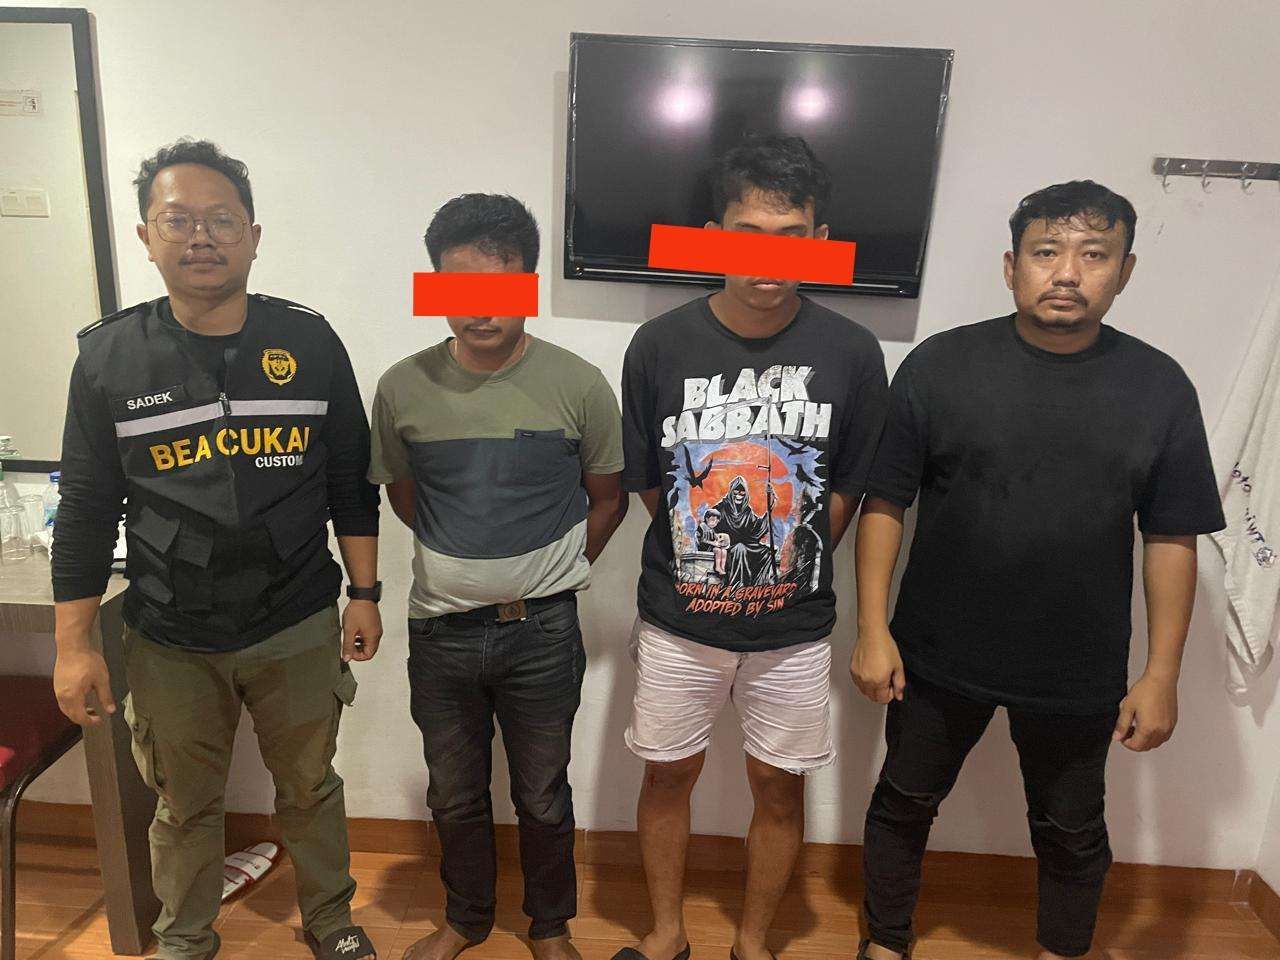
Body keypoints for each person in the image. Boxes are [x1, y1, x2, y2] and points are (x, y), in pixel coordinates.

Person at [850, 180, 1227, 960]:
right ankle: (884, 944)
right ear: (1011, 266)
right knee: (903, 804)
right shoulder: (940, 365)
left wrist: (1161, 674)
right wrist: (872, 629)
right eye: (1046, 251)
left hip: (1077, 665)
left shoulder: (1159, 388)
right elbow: (885, 501)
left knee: (1071, 831)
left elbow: (1171, 536)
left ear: (1125, 271)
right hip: (935, 653)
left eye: (1095, 254)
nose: (1067, 272)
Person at [50, 139, 383, 960]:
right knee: (184, 803)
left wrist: (365, 593)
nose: (201, 237)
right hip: (170, 629)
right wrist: (73, 645)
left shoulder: (309, 342)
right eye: (179, 220)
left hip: (295, 616)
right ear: (146, 237)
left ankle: (331, 921)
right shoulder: (108, 358)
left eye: (221, 220)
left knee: (309, 786)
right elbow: (86, 511)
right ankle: (185, 938)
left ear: (254, 236)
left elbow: (350, 481)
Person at [615, 134, 889, 960]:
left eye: (791, 237)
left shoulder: (852, 352)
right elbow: (651, 482)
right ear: (714, 235)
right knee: (667, 774)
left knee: (778, 786)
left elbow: (848, 486)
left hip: (793, 629)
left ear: (819, 240)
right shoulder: (658, 345)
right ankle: (667, 935)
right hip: (678, 620)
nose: (769, 257)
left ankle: (754, 943)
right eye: (748, 234)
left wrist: (789, 560)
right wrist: (706, 547)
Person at [368, 193, 627, 960]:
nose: (480, 308)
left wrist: (552, 572)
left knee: (542, 795)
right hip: (440, 633)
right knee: (453, 794)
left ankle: (550, 928)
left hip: (543, 632)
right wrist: (470, 562)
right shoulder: (402, 388)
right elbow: (405, 498)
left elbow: (607, 499)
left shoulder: (579, 385)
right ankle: (465, 920)